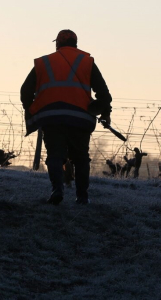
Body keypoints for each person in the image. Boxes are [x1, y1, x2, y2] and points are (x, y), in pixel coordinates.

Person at [20, 29, 112, 205]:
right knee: (81, 158)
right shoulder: (87, 62)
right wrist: (104, 112)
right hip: (80, 118)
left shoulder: (44, 63)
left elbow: (25, 91)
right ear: (76, 44)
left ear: (57, 44)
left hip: (51, 117)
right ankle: (82, 197)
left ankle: (57, 190)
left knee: (55, 155)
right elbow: (104, 94)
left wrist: (32, 108)